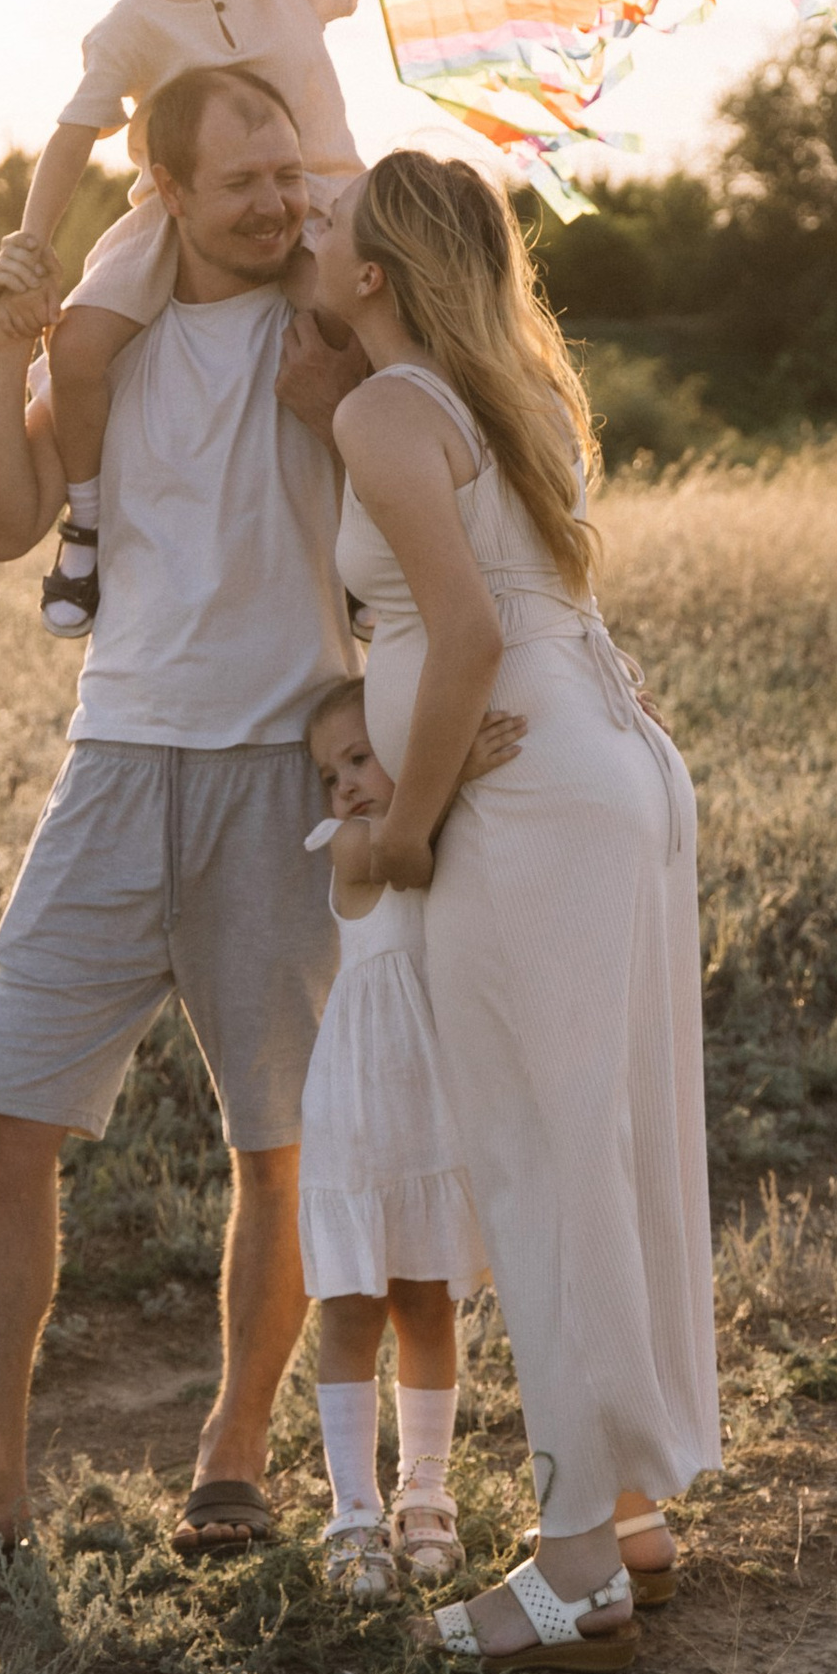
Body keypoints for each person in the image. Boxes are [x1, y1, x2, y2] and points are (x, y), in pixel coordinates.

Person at [0, 63, 367, 1575]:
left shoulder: (334, 327)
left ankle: (233, 1461)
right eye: (242, 181)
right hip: (118, 766)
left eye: (286, 170)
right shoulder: (110, 341)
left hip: (283, 771)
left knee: (279, 1144)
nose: (277, 199)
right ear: (166, 194)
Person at [310, 151, 719, 1674]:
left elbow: (463, 628)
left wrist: (407, 822)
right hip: (608, 766)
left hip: (528, 801)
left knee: (544, 1163)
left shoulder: (386, 409)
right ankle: (624, 1511)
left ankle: (568, 1572)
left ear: (374, 272)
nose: (307, 227)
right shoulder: (505, 394)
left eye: (328, 223)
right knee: (598, 1143)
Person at [2, 0, 539, 631]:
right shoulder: (134, 24)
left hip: (319, 197)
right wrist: (33, 242)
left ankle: (367, 537)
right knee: (75, 346)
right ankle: (86, 523)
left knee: (349, 334)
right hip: (180, 214)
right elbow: (74, 135)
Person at [297, 672, 513, 1602]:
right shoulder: (352, 844)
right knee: (349, 1304)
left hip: (434, 1108)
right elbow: (398, 850)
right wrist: (455, 766)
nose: (343, 783)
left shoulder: (445, 830)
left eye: (360, 755)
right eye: (328, 771)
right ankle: (352, 1509)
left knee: (428, 1303)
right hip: (358, 1113)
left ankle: (425, 1491)